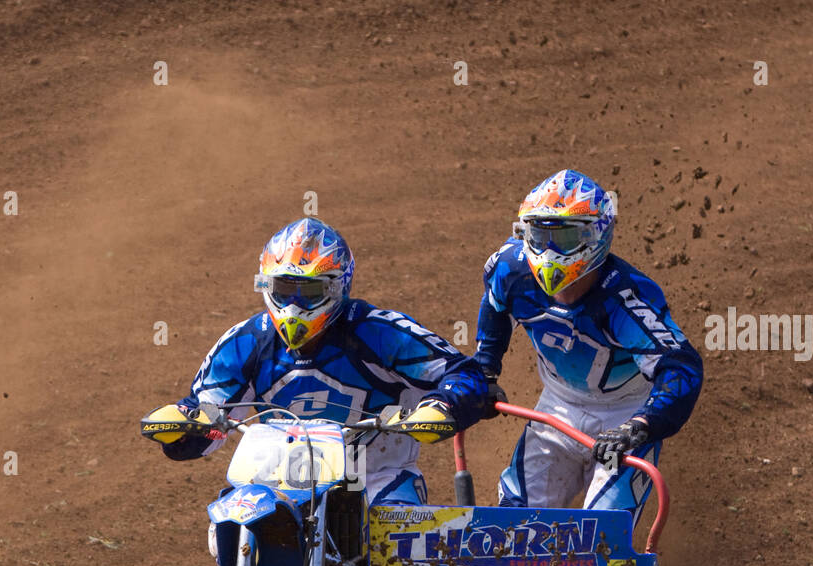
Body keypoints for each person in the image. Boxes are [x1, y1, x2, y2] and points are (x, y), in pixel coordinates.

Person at [142, 217, 488, 507]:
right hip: (276, 483)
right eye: (282, 289)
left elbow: (464, 374)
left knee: (399, 547)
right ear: (265, 284)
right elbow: (208, 415)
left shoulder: (377, 332)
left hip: (374, 479)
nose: (293, 306)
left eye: (307, 292)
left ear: (338, 287)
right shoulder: (247, 342)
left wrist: (442, 405)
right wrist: (183, 429)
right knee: (230, 522)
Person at [475, 169, 703, 518]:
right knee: (513, 524)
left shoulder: (624, 298)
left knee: (603, 534)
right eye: (539, 234)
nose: (550, 252)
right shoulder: (511, 270)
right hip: (558, 408)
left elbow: (682, 365)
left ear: (597, 235)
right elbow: (494, 306)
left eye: (565, 238)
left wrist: (641, 425)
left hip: (624, 415)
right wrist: (485, 370)